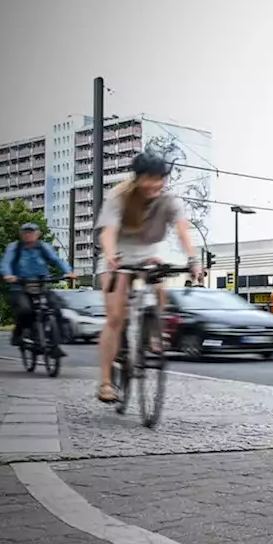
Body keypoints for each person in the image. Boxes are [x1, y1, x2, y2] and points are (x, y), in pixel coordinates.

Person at [95, 152, 203, 402]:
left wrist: (193, 260)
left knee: (160, 287)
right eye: (149, 179)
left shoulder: (169, 200)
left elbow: (182, 230)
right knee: (115, 318)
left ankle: (153, 331)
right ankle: (106, 382)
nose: (155, 184)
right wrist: (111, 256)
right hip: (118, 255)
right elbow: (108, 232)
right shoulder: (119, 196)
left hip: (148, 254)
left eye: (160, 179)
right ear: (138, 178)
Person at [0, 222, 77, 353]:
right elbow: (5, 263)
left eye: (31, 232)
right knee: (25, 310)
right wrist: (8, 275)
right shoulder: (15, 248)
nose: (29, 235)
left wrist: (68, 272)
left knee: (56, 307)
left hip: (41, 284)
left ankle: (56, 341)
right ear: (21, 235)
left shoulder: (44, 247)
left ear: (38, 234)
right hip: (21, 286)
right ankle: (19, 334)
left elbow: (57, 260)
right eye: (26, 233)